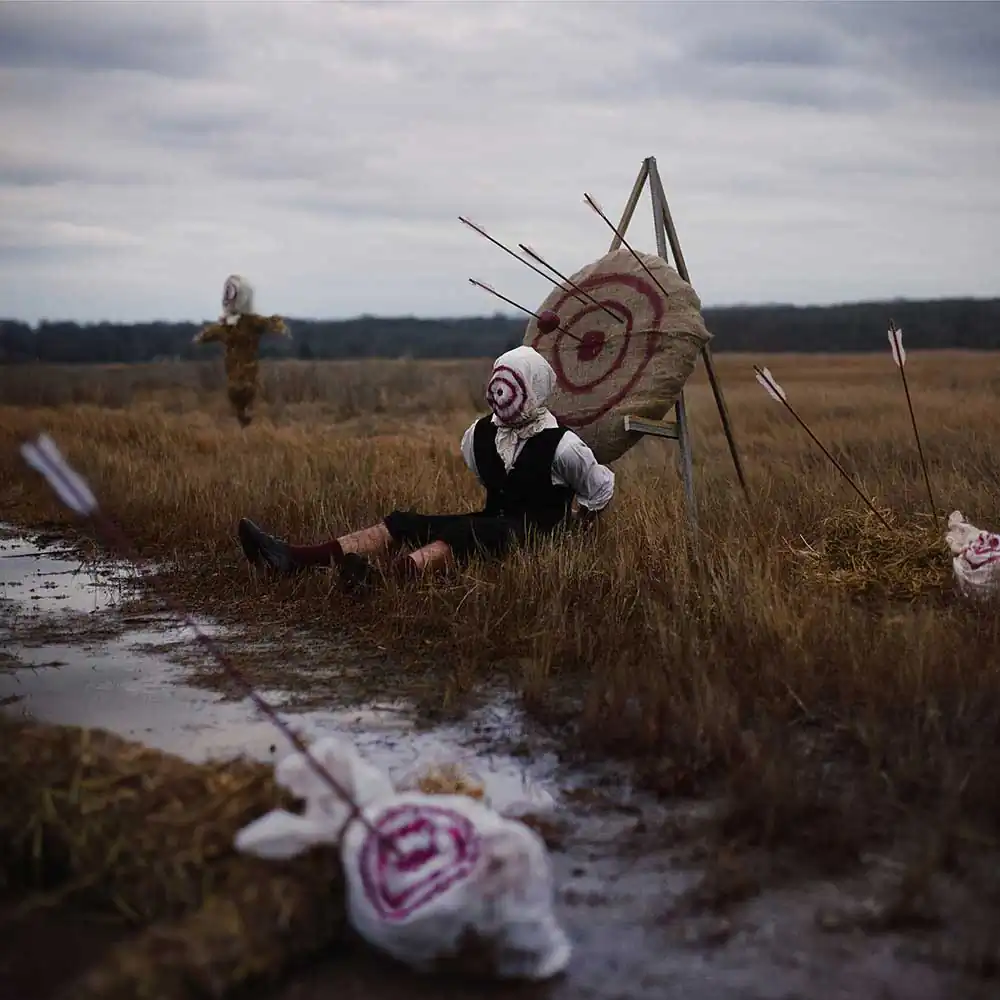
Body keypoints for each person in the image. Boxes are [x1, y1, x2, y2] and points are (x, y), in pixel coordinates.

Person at [237, 345, 615, 593]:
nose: (499, 394)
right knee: (406, 522)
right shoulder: (478, 435)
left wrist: (576, 532)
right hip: (492, 524)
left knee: (472, 530)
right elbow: (492, 485)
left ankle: (382, 583)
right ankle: (295, 559)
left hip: (537, 537)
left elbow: (599, 489)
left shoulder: (564, 446)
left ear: (535, 388)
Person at [193, 274, 290, 427]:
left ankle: (247, 417)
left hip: (246, 368)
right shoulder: (226, 325)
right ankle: (243, 418)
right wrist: (202, 337)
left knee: (246, 389)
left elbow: (267, 323)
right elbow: (214, 332)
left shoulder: (250, 322)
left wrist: (277, 325)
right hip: (233, 369)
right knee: (236, 392)